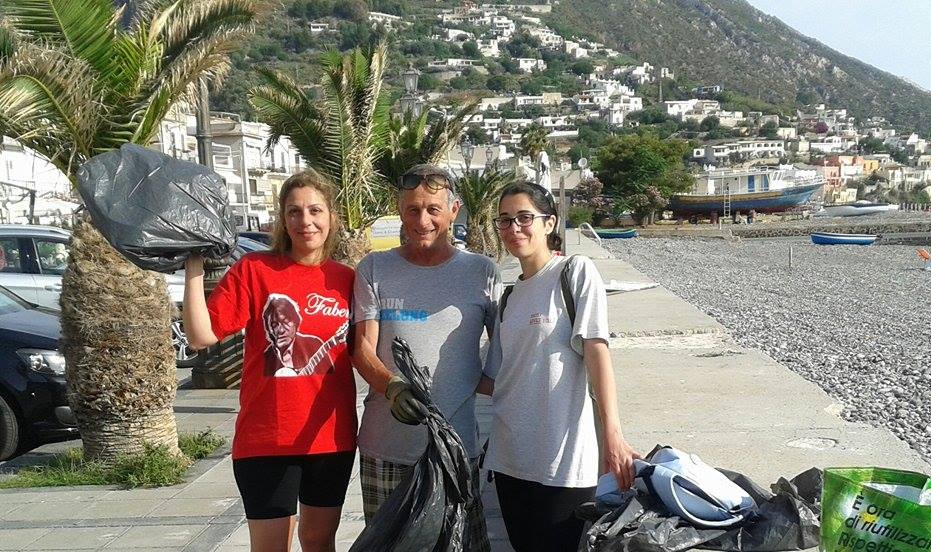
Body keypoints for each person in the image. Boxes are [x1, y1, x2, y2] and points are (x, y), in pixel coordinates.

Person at [182, 172, 355, 552]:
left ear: (331, 217)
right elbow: (200, 336)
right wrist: (193, 266)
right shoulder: (254, 270)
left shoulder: (348, 279)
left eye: (315, 210)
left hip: (330, 438)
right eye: (294, 211)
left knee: (318, 539)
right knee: (271, 546)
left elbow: (369, 349)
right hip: (266, 438)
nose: (305, 221)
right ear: (282, 219)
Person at [351, 164, 500, 551]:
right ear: (399, 210)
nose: (423, 220)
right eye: (413, 209)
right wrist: (392, 385)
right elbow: (361, 348)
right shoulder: (374, 268)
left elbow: (507, 351)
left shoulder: (481, 272)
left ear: (454, 210)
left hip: (456, 451)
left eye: (433, 209)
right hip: (387, 450)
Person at [485, 181, 639, 552]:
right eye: (504, 221)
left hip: (564, 460)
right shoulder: (508, 297)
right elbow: (498, 377)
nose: (514, 228)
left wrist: (613, 436)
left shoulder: (574, 273)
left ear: (549, 223)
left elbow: (597, 353)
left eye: (525, 217)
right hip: (509, 457)